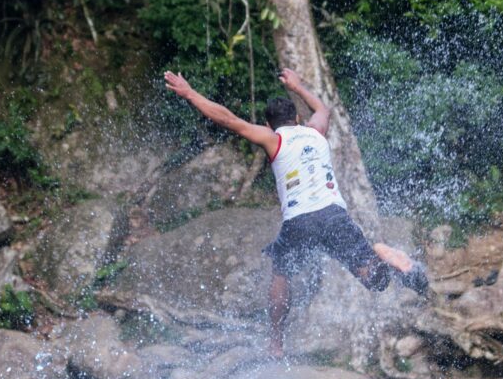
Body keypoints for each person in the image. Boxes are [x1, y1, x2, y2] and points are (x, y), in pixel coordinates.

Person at [164, 67, 428, 358]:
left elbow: (228, 119)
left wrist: (189, 93)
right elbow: (323, 109)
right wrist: (298, 86)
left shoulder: (274, 139)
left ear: (270, 124)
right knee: (376, 281)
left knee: (280, 272)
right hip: (333, 214)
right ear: (298, 119)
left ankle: (276, 342)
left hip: (300, 220)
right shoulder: (315, 132)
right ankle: (381, 253)